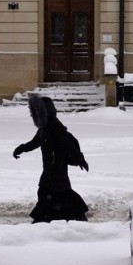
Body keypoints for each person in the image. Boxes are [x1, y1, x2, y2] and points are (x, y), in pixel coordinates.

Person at [13, 95, 89, 223]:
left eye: (38, 111)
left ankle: (48, 219)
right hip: (49, 167)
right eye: (34, 111)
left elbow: (67, 144)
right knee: (54, 192)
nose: (35, 114)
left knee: (53, 192)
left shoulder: (55, 126)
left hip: (58, 167)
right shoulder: (43, 129)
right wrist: (20, 149)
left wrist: (80, 159)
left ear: (45, 111)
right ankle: (66, 217)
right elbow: (34, 143)